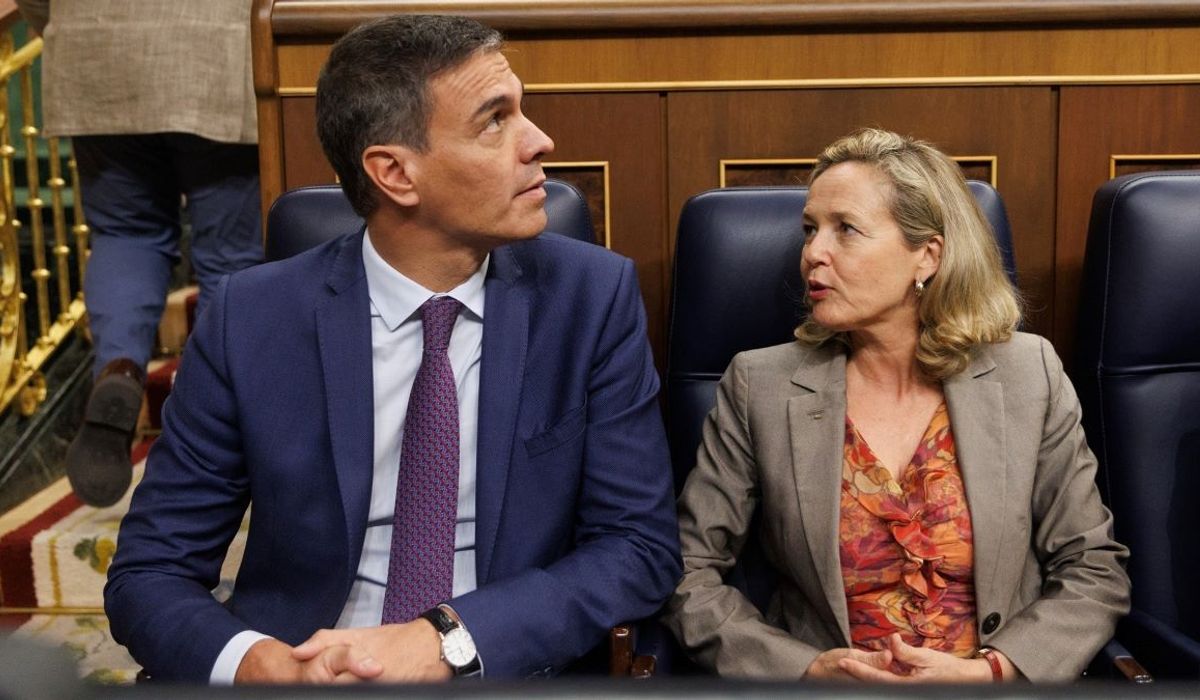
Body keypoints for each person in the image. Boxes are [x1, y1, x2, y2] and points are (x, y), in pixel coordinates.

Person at [103, 14, 680, 684]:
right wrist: (260, 666)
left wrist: (448, 641)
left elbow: (638, 547)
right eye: (495, 121)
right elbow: (149, 572)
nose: (539, 141)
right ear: (395, 174)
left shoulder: (590, 299)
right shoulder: (250, 319)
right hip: (307, 668)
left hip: (500, 667)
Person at [663, 128, 1130, 683]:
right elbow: (686, 572)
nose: (813, 253)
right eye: (810, 229)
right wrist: (803, 669)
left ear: (926, 256)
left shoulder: (1028, 374)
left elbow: (1093, 569)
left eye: (846, 229)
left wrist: (995, 672)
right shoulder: (759, 385)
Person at [14, 1, 265, 507]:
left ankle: (119, 371)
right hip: (218, 51)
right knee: (230, 257)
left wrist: (64, 22)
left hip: (97, 48)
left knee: (124, 235)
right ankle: (210, 425)